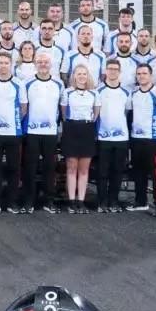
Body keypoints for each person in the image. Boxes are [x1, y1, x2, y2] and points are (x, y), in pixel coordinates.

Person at [129, 63, 156, 216]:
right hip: (136, 138)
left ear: (151, 76)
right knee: (138, 171)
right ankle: (141, 202)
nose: (141, 76)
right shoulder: (133, 93)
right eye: (139, 74)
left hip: (154, 139)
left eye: (144, 73)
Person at [0, 51, 27, 213]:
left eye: (6, 63)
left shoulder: (19, 84)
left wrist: (13, 122)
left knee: (13, 168)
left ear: (11, 65)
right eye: (0, 63)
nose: (3, 66)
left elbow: (23, 108)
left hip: (13, 132)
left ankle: (12, 201)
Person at [22, 54, 62, 212]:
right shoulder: (27, 83)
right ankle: (28, 201)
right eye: (40, 62)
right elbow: (24, 108)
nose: (43, 64)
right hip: (32, 131)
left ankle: (49, 200)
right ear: (35, 64)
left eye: (46, 62)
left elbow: (61, 107)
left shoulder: (58, 83)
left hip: (50, 132)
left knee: (49, 167)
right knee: (30, 167)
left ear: (50, 64)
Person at [95, 59, 131, 212]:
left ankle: (113, 201)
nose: (112, 71)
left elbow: (127, 112)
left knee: (117, 171)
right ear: (106, 71)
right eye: (110, 69)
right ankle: (102, 202)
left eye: (115, 69)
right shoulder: (98, 90)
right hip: (103, 137)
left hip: (121, 138)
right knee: (102, 172)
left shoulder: (126, 92)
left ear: (119, 72)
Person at [61, 63, 98, 213]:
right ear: (74, 76)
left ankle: (81, 201)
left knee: (84, 169)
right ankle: (71, 201)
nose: (82, 76)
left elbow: (96, 113)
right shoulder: (67, 92)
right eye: (79, 74)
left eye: (84, 73)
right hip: (71, 129)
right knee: (71, 167)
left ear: (88, 76)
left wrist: (87, 124)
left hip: (87, 130)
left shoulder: (94, 93)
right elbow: (63, 113)